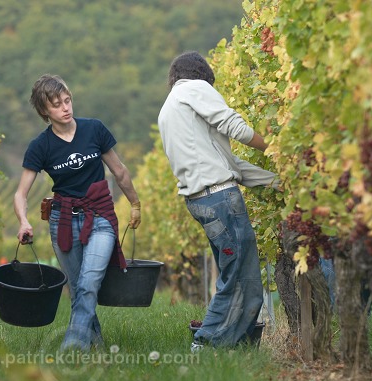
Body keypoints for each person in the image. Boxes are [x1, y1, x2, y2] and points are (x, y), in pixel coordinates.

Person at [157, 51, 278, 352]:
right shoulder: (193, 88)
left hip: (202, 201)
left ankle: (242, 346)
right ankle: (206, 343)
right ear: (202, 75)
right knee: (242, 276)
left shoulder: (169, 109)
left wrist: (278, 181)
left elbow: (230, 165)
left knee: (233, 273)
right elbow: (234, 126)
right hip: (220, 199)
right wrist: (277, 150)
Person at [14, 74, 141, 352]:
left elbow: (119, 171)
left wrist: (134, 203)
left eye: (67, 100)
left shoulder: (94, 129)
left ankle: (72, 349)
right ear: (45, 111)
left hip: (100, 216)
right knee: (78, 291)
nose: (66, 107)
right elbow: (21, 193)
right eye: (57, 104)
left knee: (88, 283)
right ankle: (96, 348)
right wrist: (23, 221)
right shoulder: (40, 146)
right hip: (63, 220)